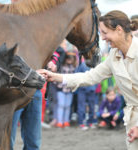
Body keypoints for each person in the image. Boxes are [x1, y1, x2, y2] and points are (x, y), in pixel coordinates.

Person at [39, 10, 138, 150]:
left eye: (104, 32)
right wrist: (55, 77)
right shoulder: (114, 55)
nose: (102, 38)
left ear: (119, 30)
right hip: (132, 121)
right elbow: (90, 76)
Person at [56, 51, 77, 128]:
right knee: (61, 105)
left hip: (69, 89)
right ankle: (59, 122)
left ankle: (66, 121)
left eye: (71, 58)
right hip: (60, 89)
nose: (69, 60)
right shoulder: (61, 66)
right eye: (68, 58)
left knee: (68, 106)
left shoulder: (74, 67)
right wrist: (58, 85)